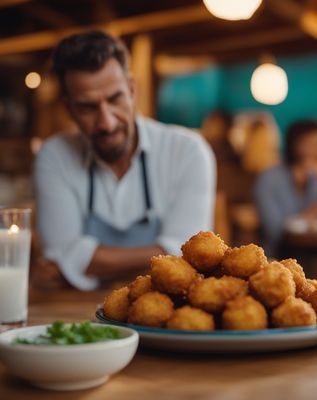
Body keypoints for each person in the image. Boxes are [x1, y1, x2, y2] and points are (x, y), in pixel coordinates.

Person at [34, 31, 215, 290]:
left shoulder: (187, 151)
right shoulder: (54, 156)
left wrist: (77, 264)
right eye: (87, 107)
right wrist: (164, 252)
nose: (106, 122)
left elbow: (191, 256)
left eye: (114, 98)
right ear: (69, 108)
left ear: (131, 90)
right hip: (79, 316)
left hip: (167, 312)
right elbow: (61, 251)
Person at [254, 120, 317, 257]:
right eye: (308, 144)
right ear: (292, 145)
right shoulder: (269, 178)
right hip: (277, 258)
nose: (315, 151)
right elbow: (275, 231)